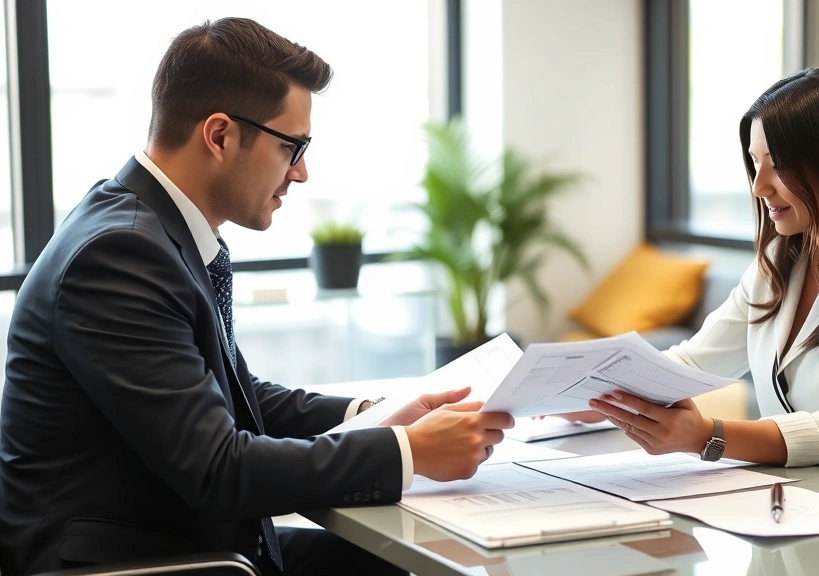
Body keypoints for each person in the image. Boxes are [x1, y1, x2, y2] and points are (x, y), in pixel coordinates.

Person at [0, 17, 513, 576]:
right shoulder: (120, 255)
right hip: (144, 561)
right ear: (219, 135)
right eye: (292, 145)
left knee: (410, 562)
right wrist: (410, 452)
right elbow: (219, 469)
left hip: (186, 541)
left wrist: (378, 417)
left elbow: (234, 394)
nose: (302, 172)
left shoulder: (151, 227)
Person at [589, 67, 819, 480]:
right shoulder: (784, 254)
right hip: (797, 509)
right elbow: (693, 362)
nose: (759, 186)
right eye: (755, 163)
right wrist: (588, 394)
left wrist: (706, 436)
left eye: (779, 164)